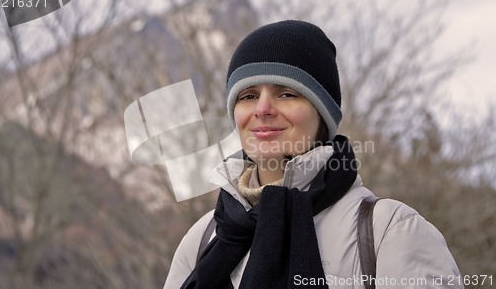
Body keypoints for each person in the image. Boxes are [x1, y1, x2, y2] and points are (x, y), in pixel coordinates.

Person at [164, 20, 462, 289]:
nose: (262, 109)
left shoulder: (389, 231)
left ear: (322, 114)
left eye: (287, 93)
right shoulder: (205, 237)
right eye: (248, 95)